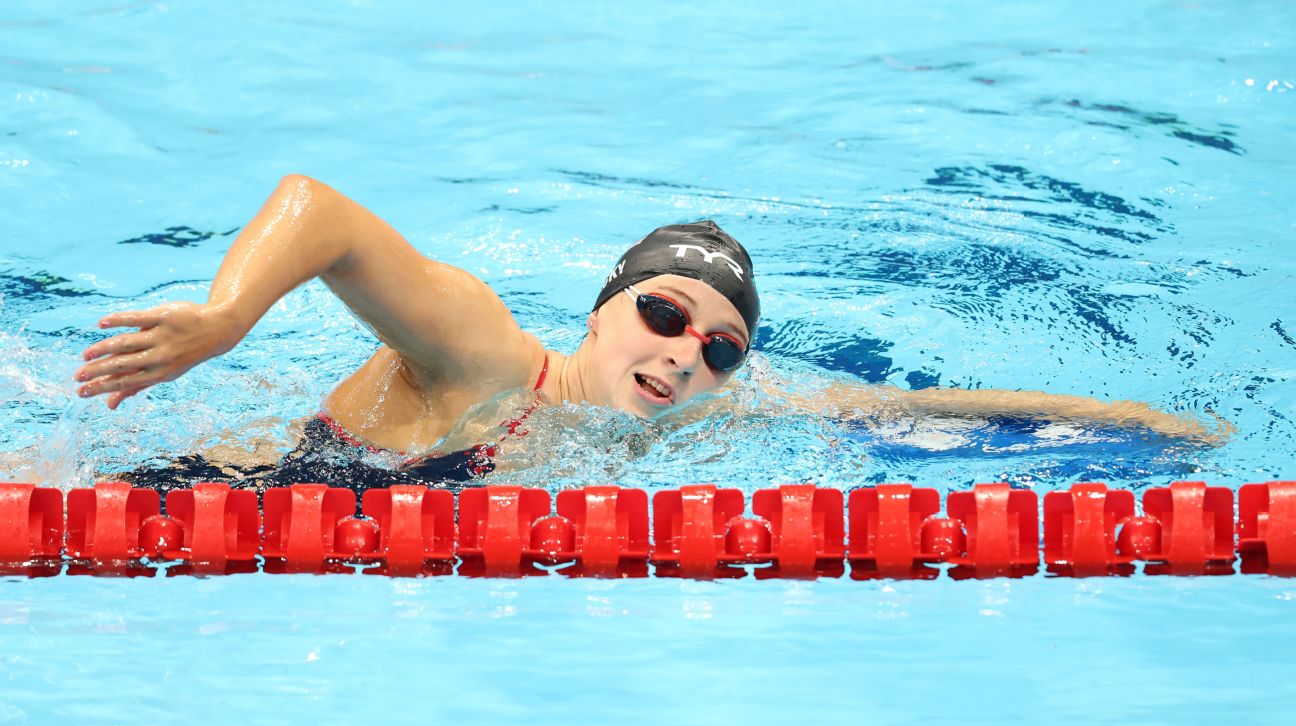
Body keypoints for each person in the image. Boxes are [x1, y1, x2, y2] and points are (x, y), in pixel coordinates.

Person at [74, 176, 1224, 493]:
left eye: (721, 347)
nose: (686, 352)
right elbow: (317, 209)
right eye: (665, 315)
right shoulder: (483, 349)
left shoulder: (693, 424)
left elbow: (902, 415)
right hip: (207, 492)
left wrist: (1122, 420)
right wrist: (227, 318)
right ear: (602, 312)